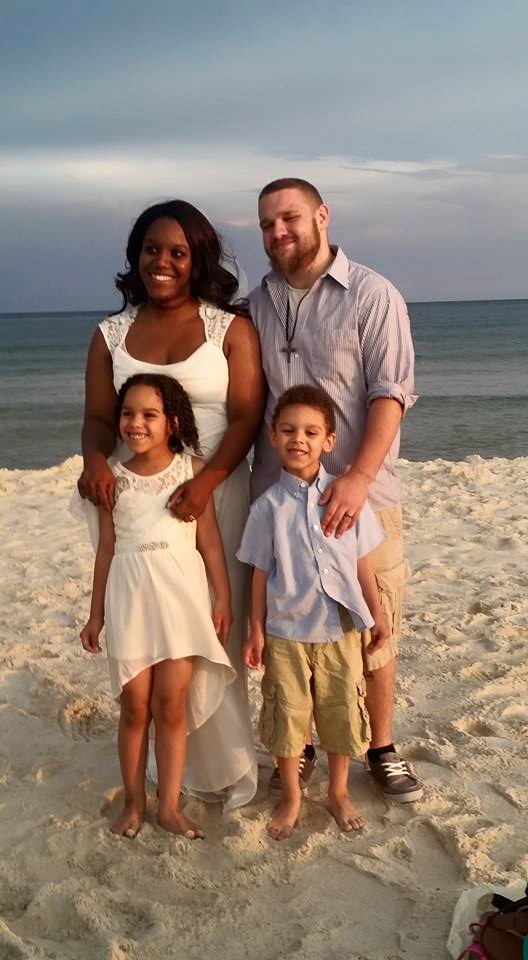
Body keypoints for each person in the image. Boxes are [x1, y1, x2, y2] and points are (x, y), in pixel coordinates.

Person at [76, 200, 265, 809]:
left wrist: (208, 482)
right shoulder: (109, 335)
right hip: (137, 503)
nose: (163, 261)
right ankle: (160, 771)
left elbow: (247, 416)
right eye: (151, 249)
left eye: (178, 252)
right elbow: (98, 419)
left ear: (197, 259)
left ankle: (221, 766)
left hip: (216, 495)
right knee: (152, 630)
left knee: (211, 628)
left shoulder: (229, 329)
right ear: (135, 255)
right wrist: (94, 462)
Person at [249, 178, 423, 803]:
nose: (278, 232)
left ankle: (382, 747)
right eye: (266, 224)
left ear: (322, 216)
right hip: (280, 498)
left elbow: (390, 394)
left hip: (361, 497)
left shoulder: (373, 295)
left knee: (373, 622)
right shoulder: (258, 302)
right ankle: (301, 747)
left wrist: (357, 478)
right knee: (291, 626)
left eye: (289, 218)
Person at [81, 374, 239, 839]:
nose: (136, 423)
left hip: (180, 604)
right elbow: (106, 549)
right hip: (130, 601)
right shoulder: (113, 478)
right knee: (134, 707)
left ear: (172, 422)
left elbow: (211, 543)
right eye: (128, 413)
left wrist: (223, 597)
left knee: (170, 706)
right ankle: (134, 804)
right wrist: (96, 615)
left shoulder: (192, 470)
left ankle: (169, 807)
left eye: (149, 414)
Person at [238, 385, 390, 840]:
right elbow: (259, 573)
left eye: (310, 431)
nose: (298, 439)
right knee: (288, 714)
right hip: (285, 630)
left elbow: (363, 564)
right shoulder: (266, 507)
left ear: (329, 440)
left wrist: (377, 616)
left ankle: (338, 792)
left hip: (339, 627)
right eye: (287, 430)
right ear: (272, 437)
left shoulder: (347, 499)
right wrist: (256, 630)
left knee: (341, 709)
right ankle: (291, 796)